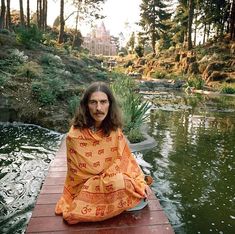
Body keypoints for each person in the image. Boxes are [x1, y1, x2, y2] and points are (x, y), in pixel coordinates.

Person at [55, 81, 152, 224]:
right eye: (93, 102)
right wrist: (119, 179)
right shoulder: (74, 136)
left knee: (134, 184)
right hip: (85, 187)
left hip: (111, 179)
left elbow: (126, 160)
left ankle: (123, 194)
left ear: (110, 104)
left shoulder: (114, 130)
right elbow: (82, 175)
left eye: (103, 102)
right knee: (124, 184)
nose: (98, 108)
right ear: (86, 106)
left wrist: (137, 180)